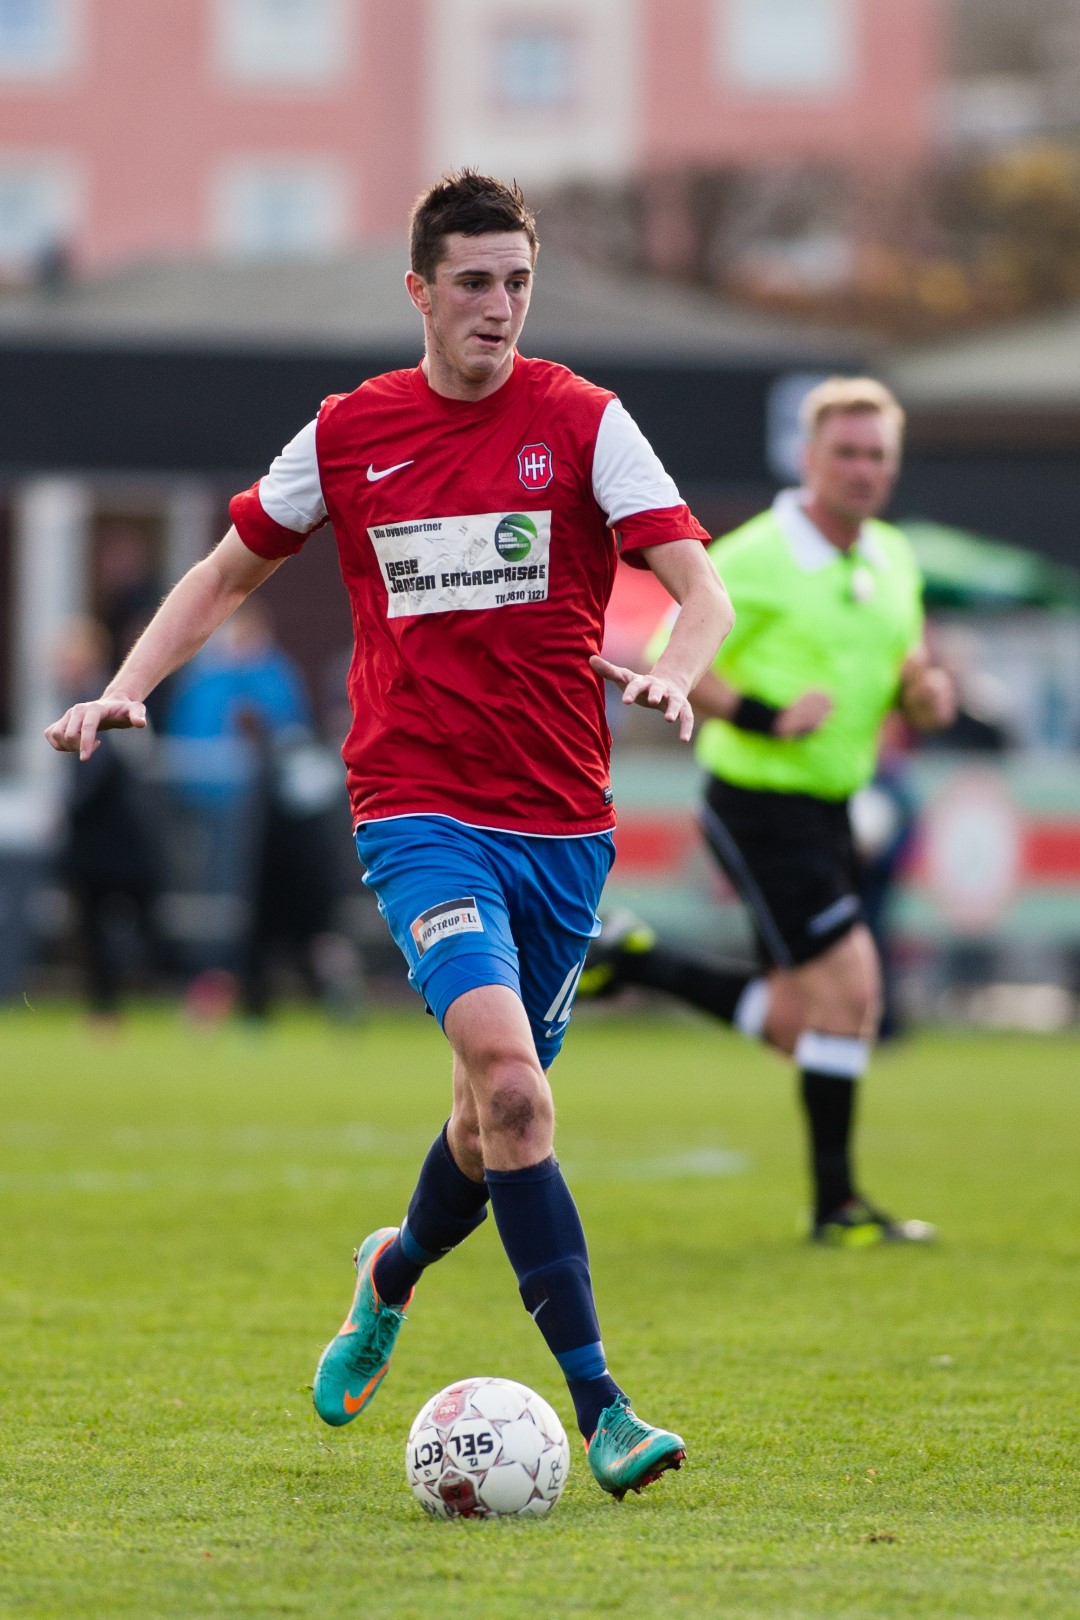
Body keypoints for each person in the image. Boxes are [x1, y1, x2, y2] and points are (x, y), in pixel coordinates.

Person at [45, 171, 733, 1499]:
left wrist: (676, 672)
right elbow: (225, 570)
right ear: (419, 290)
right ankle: (605, 1409)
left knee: (485, 1121)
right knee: (515, 1088)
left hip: (562, 824)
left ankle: (393, 1268)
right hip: (417, 809)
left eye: (518, 282)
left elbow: (699, 588)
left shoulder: (585, 420)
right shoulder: (349, 432)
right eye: (474, 282)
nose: (500, 307)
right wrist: (128, 685)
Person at [580, 377, 955, 1247]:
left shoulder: (893, 557)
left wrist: (927, 692)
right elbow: (673, 651)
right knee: (854, 989)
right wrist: (764, 716)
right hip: (757, 801)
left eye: (877, 455)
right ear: (809, 458)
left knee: (801, 1021)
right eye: (846, 453)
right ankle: (836, 1209)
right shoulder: (756, 555)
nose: (862, 470)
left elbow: (909, 671)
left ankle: (637, 961)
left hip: (832, 805)